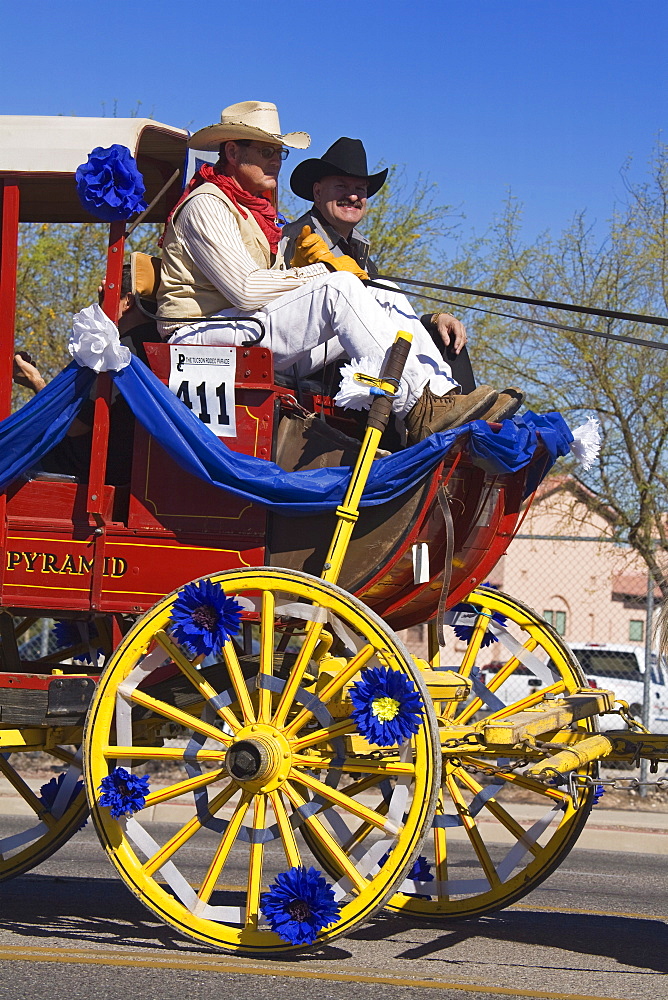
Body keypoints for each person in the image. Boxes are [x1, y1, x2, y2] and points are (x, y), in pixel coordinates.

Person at [157, 101, 507, 444]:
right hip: (198, 336)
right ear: (232, 152)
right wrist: (322, 272)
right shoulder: (206, 204)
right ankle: (421, 411)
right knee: (340, 287)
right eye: (267, 151)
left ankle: (444, 398)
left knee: (382, 292)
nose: (276, 161)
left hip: (243, 326)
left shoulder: (254, 212)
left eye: (280, 153)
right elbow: (247, 292)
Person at [281, 137, 522, 413]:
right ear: (318, 192)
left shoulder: (360, 251)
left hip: (346, 350)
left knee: (443, 334)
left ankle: (461, 408)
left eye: (360, 189)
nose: (353, 196)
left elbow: (376, 318)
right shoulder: (296, 239)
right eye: (342, 187)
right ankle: (437, 410)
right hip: (307, 355)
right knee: (383, 288)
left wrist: (432, 320)